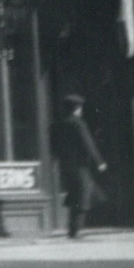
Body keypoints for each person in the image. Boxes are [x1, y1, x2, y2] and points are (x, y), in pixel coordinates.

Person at [52, 92, 108, 238]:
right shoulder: (78, 123)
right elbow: (88, 144)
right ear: (77, 108)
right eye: (80, 107)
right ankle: (75, 229)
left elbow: (55, 145)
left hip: (66, 165)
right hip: (80, 165)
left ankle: (73, 228)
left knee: (76, 194)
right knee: (83, 194)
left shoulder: (60, 123)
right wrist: (99, 162)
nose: (81, 110)